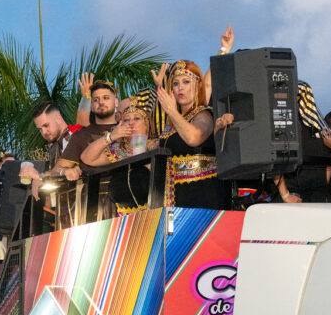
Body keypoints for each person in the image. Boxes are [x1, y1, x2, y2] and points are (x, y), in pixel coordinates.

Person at [153, 60, 228, 210]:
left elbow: (194, 138)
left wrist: (171, 110)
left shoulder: (204, 114)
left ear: (198, 85)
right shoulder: (172, 123)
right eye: (175, 83)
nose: (180, 87)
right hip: (174, 195)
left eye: (186, 82)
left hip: (203, 193)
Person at [80, 95, 161, 214]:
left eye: (137, 118)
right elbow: (87, 158)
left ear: (147, 124)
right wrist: (111, 137)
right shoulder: (119, 150)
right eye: (126, 120)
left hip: (155, 216)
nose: (131, 123)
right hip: (125, 220)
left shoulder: (159, 146)